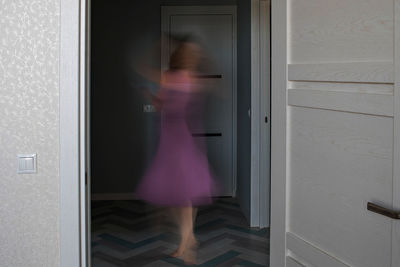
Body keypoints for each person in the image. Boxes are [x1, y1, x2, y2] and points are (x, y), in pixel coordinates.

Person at [135, 37, 216, 265]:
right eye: (191, 54)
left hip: (182, 139)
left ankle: (187, 243)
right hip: (169, 140)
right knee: (174, 194)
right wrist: (148, 96)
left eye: (197, 55)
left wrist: (156, 50)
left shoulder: (186, 78)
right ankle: (188, 238)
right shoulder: (172, 77)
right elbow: (161, 105)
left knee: (184, 193)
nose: (195, 57)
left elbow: (143, 69)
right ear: (183, 56)